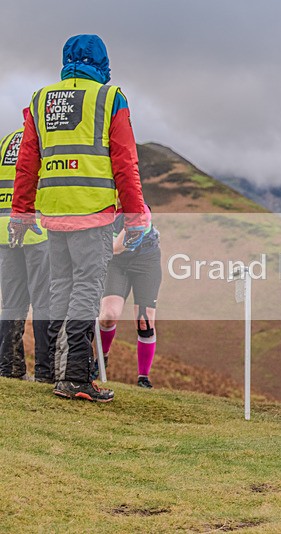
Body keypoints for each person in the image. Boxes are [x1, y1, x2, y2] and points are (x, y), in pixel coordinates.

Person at [10, 34, 148, 402]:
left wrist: (21, 213)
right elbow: (125, 162)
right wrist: (135, 216)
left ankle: (59, 372)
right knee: (87, 289)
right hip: (92, 211)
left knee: (61, 287)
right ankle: (74, 377)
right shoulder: (109, 97)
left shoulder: (40, 100)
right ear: (102, 62)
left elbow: (27, 163)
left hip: (53, 211)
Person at [0, 112, 51, 381]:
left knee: (12, 303)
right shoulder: (43, 140)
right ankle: (45, 370)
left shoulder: (6, 141)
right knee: (44, 302)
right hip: (38, 230)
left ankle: (9, 367)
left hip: (5, 231)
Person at [98, 205, 161, 389]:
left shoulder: (139, 210)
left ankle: (143, 377)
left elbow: (116, 247)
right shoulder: (102, 206)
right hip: (116, 264)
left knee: (144, 322)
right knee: (108, 315)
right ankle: (101, 359)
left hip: (145, 261)